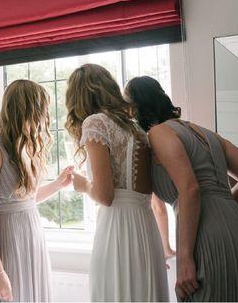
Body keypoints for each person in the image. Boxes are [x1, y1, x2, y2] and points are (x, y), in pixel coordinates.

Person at [125, 75, 238, 301]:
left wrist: (185, 258)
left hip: (207, 239)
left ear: (136, 107)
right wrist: (224, 209)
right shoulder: (208, 133)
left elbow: (190, 189)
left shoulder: (159, 133)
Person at [65, 64, 169, 301]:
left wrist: (83, 185)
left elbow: (105, 196)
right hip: (145, 225)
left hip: (117, 228)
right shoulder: (137, 128)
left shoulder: (95, 123)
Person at [0, 79, 73, 302]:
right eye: (41, 111)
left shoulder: (24, 147)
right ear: (26, 109)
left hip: (31, 237)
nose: (43, 118)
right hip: (6, 242)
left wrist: (58, 184)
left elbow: (25, 200)